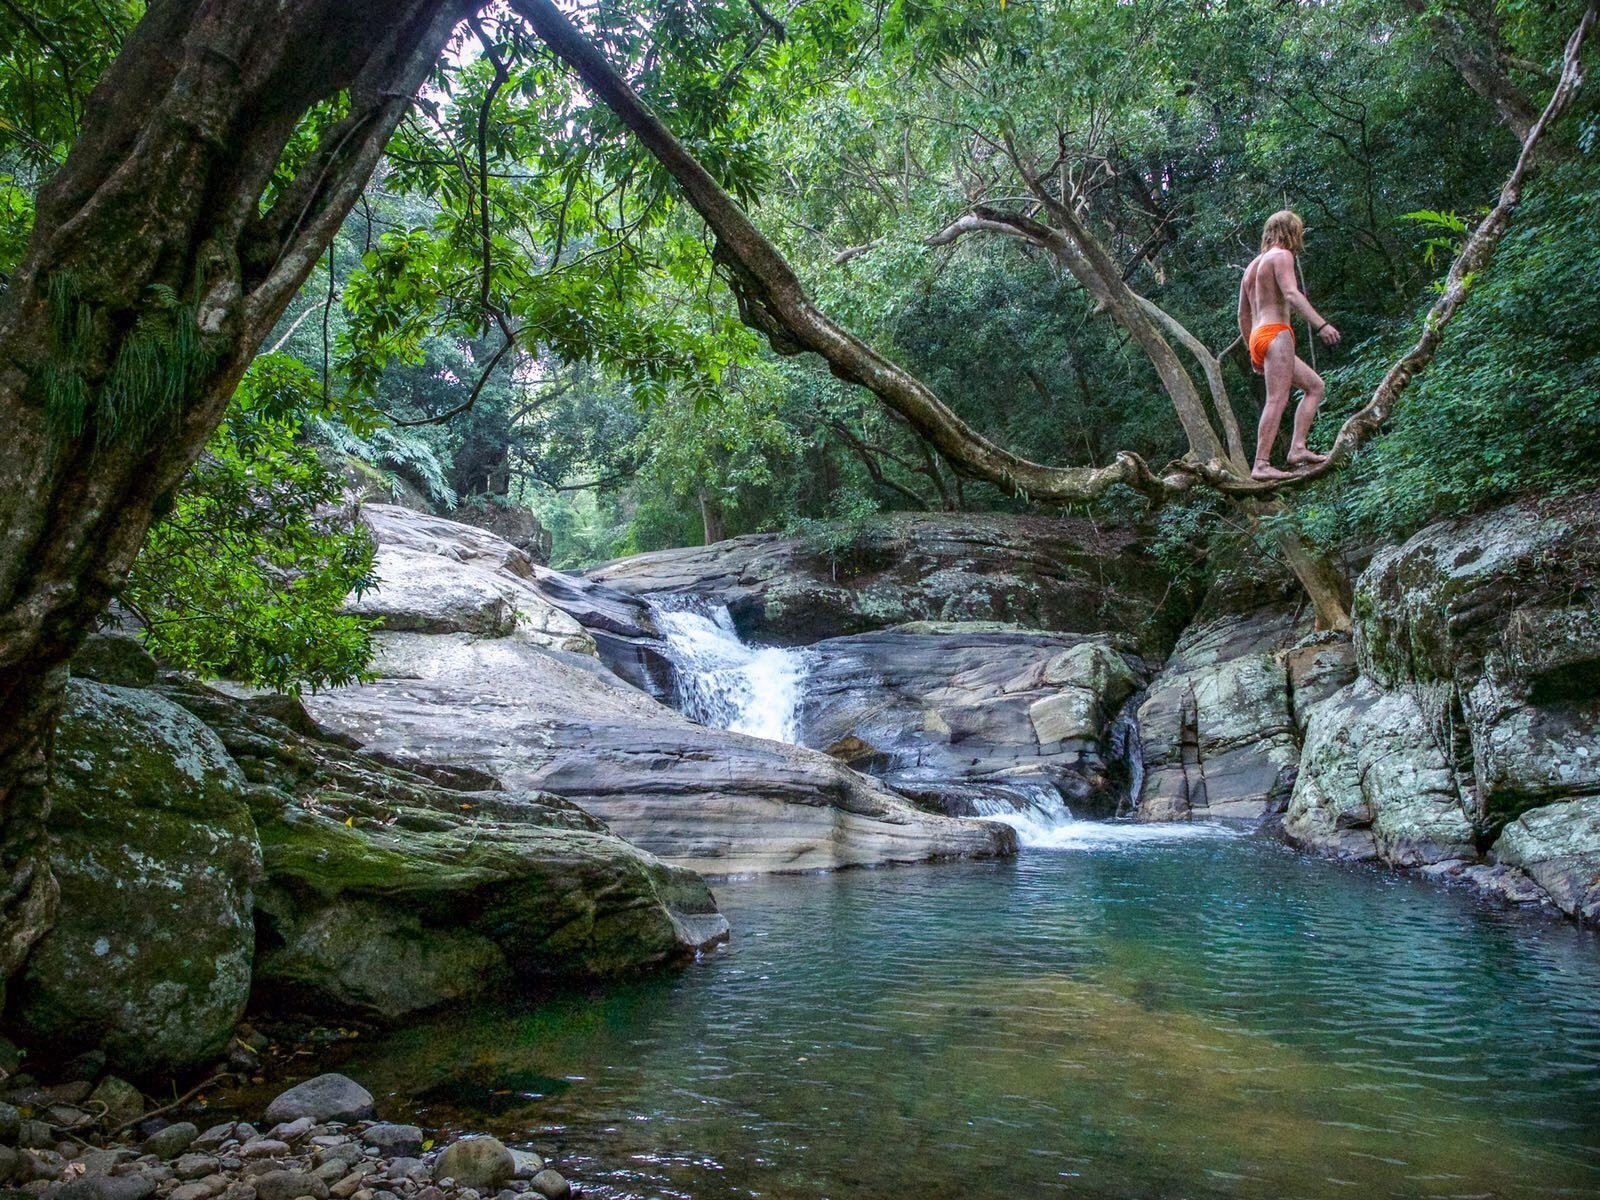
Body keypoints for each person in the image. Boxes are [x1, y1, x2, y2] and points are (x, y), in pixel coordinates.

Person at [1237, 210, 1341, 481]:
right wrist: (1321, 325)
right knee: (1278, 398)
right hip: (1277, 334)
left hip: (1259, 336)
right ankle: (1261, 464)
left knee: (1315, 386)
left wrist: (1253, 350)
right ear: (1290, 231)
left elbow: (1243, 315)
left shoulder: (1251, 268)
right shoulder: (1282, 256)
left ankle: (1297, 448)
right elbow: (1292, 294)